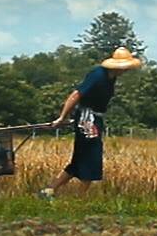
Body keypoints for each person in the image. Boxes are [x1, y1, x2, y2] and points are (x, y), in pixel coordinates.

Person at [38, 46, 141, 198]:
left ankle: (49, 190)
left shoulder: (111, 78)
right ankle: (82, 196)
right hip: (88, 118)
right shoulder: (97, 75)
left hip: (93, 116)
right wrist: (62, 117)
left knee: (81, 157)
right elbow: (76, 95)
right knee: (92, 155)